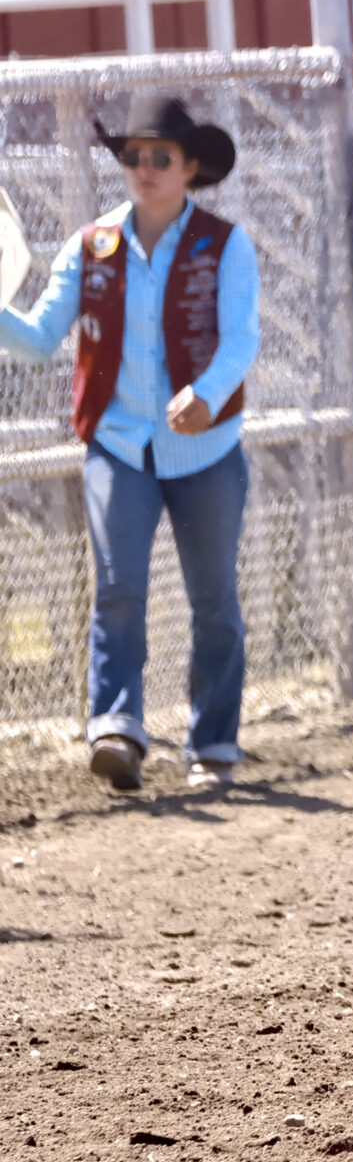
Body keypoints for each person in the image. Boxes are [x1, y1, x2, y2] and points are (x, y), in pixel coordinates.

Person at [0, 98, 260, 792]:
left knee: (214, 601)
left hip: (207, 451)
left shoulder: (225, 244)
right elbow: (36, 341)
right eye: (132, 157)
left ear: (190, 167)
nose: (143, 170)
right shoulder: (91, 247)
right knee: (117, 590)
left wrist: (205, 394)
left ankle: (213, 744)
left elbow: (242, 339)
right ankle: (117, 731)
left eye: (159, 158)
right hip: (117, 446)